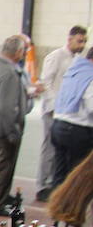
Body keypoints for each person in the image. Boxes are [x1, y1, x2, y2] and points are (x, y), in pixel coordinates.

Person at [0, 34, 38, 214]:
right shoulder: (10, 73)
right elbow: (7, 108)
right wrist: (13, 131)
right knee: (4, 167)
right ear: (18, 52)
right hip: (4, 129)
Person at [37, 27, 90, 198]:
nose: (82, 45)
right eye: (79, 41)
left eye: (84, 41)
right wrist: (55, 106)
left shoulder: (78, 60)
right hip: (55, 110)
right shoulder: (56, 57)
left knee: (60, 156)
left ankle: (56, 186)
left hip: (66, 112)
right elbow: (46, 83)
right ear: (69, 39)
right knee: (49, 149)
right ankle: (41, 185)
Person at [50, 42, 93, 192]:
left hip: (58, 125)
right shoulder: (90, 76)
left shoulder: (73, 70)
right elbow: (91, 106)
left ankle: (56, 210)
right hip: (77, 130)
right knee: (77, 175)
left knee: (59, 172)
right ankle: (71, 211)